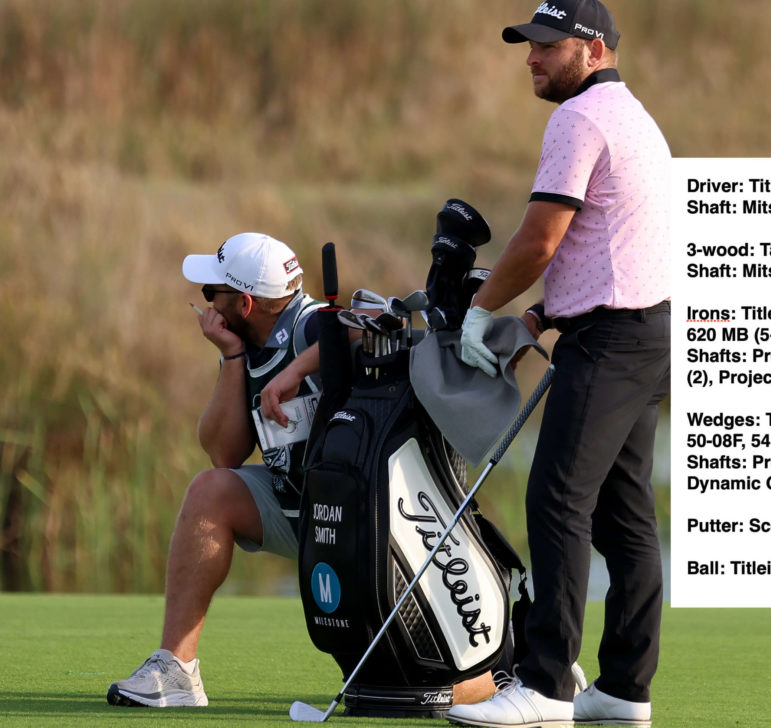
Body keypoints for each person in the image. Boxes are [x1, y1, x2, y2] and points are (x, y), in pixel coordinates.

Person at [105, 232, 498, 708]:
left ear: (245, 303)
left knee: (442, 645)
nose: (207, 303)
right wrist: (230, 357)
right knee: (210, 490)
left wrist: (294, 371)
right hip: (301, 504)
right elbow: (224, 454)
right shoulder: (246, 343)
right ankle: (176, 669)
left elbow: (376, 322)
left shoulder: (309, 323)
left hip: (367, 517)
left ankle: (520, 663)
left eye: (215, 294)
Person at [449, 2, 670, 727]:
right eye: (529, 44)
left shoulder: (578, 119)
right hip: (641, 330)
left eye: (548, 44)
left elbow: (542, 238)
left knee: (558, 499)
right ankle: (624, 690)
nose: (532, 57)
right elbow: (607, 240)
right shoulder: (629, 113)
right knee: (623, 509)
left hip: (613, 342)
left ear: (593, 49)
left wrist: (480, 308)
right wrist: (543, 314)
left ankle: (544, 686)